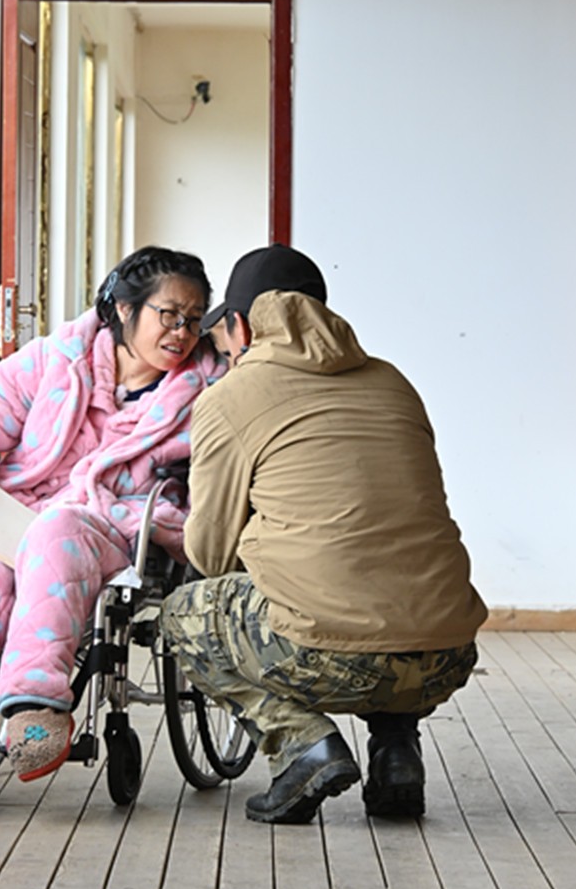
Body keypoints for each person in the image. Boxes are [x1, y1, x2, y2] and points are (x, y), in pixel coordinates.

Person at [160, 244, 487, 825]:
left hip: (328, 656)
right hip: (445, 653)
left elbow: (208, 554)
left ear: (240, 327)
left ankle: (303, 747)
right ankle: (396, 753)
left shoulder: (229, 398)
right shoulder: (394, 382)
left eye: (222, 335)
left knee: (182, 615)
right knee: (382, 589)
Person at [0, 245, 224, 808]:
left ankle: (33, 704)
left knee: (57, 532)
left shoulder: (206, 389)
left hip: (113, 525)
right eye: (169, 315)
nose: (182, 333)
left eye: (193, 320)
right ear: (124, 309)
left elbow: (217, 473)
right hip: (22, 510)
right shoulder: (57, 359)